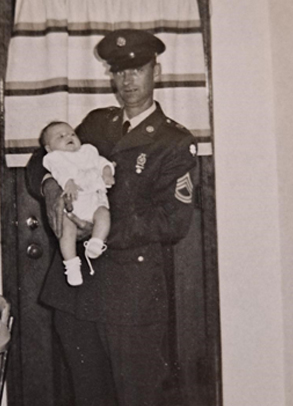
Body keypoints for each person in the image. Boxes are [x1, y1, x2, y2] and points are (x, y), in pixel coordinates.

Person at [27, 29, 197, 406]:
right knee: (87, 396)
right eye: (120, 70)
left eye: (137, 69)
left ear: (158, 70)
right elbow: (41, 160)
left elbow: (172, 221)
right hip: (76, 293)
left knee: (138, 397)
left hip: (131, 297)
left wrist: (99, 229)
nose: (128, 80)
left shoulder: (174, 142)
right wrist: (50, 187)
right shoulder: (96, 123)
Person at [40, 121, 115, 286]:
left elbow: (101, 161)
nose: (68, 136)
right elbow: (58, 172)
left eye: (72, 134)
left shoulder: (88, 151)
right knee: (67, 230)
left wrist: (107, 171)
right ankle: (71, 264)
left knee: (103, 214)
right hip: (73, 202)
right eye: (60, 136)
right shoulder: (54, 157)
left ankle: (96, 242)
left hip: (94, 200)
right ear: (49, 148)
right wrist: (66, 183)